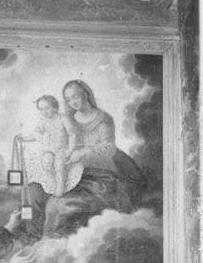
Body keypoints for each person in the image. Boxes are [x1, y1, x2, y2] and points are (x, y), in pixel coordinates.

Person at [25, 81, 145, 238]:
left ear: (85, 94)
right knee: (33, 191)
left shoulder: (102, 119)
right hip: (70, 170)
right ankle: (32, 237)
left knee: (56, 205)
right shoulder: (67, 118)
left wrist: (83, 153)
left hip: (96, 175)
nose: (72, 102)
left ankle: (48, 245)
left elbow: (109, 148)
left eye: (75, 96)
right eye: (68, 99)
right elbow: (51, 135)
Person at [20, 95, 79, 198]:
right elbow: (36, 134)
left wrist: (70, 150)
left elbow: (72, 134)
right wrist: (24, 139)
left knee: (59, 165)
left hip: (63, 148)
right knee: (46, 162)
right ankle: (53, 185)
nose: (44, 111)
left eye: (47, 108)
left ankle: (60, 188)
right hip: (51, 148)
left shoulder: (63, 118)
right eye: (41, 109)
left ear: (55, 107)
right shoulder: (43, 121)